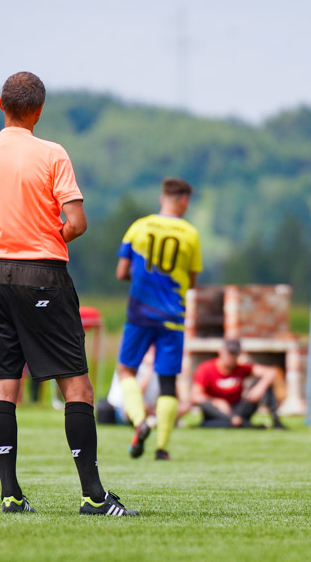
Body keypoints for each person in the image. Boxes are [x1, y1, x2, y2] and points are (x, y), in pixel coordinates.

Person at [0, 71, 138, 516]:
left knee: (5, 385)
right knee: (77, 386)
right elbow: (76, 223)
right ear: (39, 111)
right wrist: (47, 237)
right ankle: (95, 497)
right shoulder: (52, 154)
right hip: (43, 274)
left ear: (0, 103)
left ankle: (10, 495)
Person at [115, 177, 202, 461]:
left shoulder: (139, 227)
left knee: (126, 370)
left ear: (161, 197)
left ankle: (140, 420)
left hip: (139, 313)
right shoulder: (190, 234)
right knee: (167, 381)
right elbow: (190, 282)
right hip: (173, 316)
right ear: (184, 201)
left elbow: (122, 272)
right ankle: (162, 448)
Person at [190, 338, 286, 429]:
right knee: (205, 404)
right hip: (217, 412)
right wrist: (216, 401)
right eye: (230, 353)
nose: (232, 357)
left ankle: (275, 420)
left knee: (263, 381)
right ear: (221, 352)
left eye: (235, 353)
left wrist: (260, 386)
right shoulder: (206, 368)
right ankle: (241, 424)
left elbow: (271, 372)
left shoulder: (241, 368)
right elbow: (195, 397)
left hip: (238, 409)